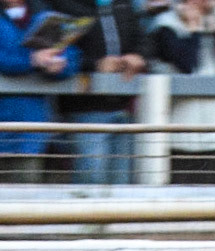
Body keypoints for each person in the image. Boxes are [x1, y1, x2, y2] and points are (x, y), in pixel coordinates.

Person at [0, 0, 81, 182]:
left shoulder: (41, 10)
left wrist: (61, 64)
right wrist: (29, 60)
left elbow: (70, 52)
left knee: (25, 203)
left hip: (30, 132)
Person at [48, 0, 150, 185]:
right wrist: (95, 64)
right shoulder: (64, 5)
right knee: (90, 179)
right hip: (85, 108)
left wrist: (138, 56)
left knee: (122, 184)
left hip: (123, 107)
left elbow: (144, 41)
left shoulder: (124, 4)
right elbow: (57, 51)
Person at [151, 0, 215, 183]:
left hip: (214, 126)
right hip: (179, 128)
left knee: (212, 195)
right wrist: (194, 30)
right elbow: (187, 65)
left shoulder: (214, 22)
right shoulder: (165, 24)